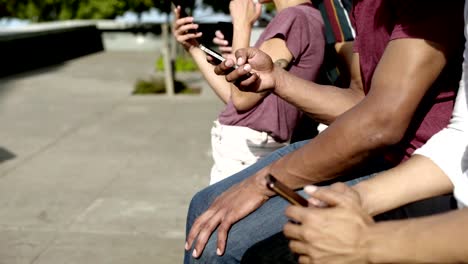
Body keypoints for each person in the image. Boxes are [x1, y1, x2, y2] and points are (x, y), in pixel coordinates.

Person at [184, 0, 465, 263]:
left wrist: (262, 183)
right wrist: (278, 80)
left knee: (223, 245)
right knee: (204, 203)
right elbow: (362, 104)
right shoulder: (365, 6)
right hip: (387, 153)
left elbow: (381, 121)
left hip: (407, 162)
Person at [173, 0, 325, 185]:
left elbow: (241, 98)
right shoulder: (308, 17)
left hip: (248, 150)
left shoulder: (294, 17)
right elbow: (234, 98)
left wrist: (242, 24)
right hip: (250, 147)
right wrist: (194, 47)